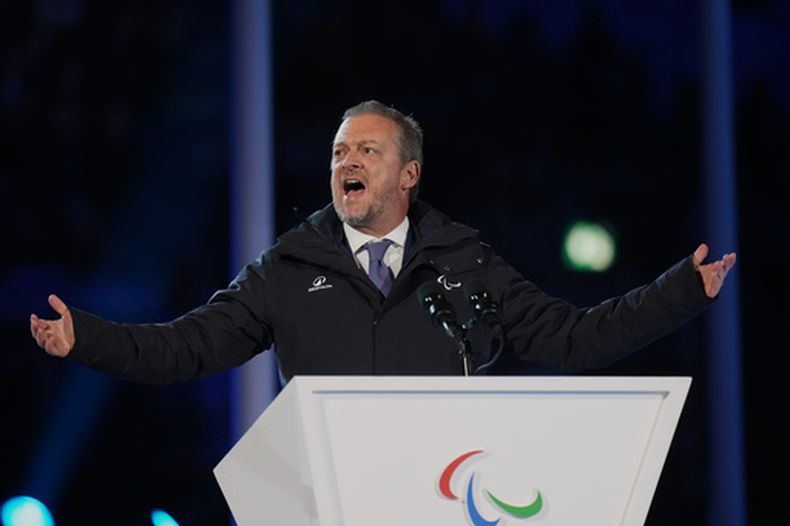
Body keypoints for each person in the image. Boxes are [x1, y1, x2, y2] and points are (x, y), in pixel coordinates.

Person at [30, 100, 737, 383]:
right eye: (339, 152)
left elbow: (574, 338)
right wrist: (83, 338)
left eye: (366, 151)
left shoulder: (465, 262)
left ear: (409, 174)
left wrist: (679, 293)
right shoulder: (286, 269)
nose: (347, 163)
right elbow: (184, 347)